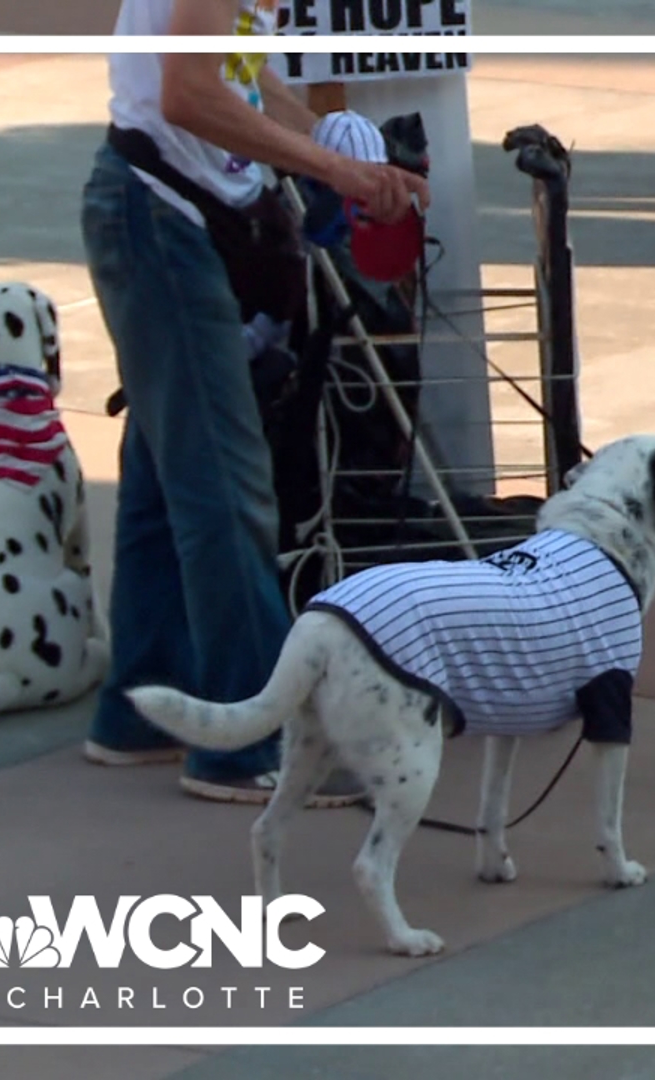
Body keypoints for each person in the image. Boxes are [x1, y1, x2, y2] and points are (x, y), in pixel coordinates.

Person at [79, 0, 430, 804]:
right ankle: (254, 744)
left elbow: (237, 72)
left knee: (167, 481)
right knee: (227, 488)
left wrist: (329, 145)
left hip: (172, 215)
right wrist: (334, 168)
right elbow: (188, 95)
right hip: (161, 220)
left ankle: (146, 705)